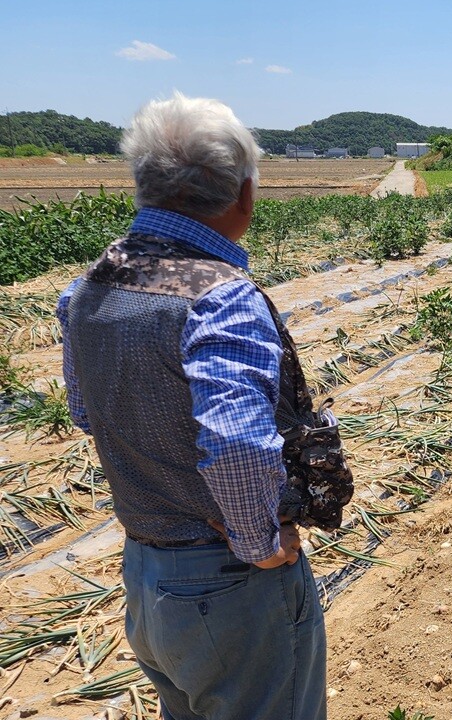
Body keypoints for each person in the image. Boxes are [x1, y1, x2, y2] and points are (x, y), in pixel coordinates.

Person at [57, 92, 326, 720]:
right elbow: (234, 443)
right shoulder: (219, 297)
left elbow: (86, 413)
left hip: (146, 577)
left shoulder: (88, 289)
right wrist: (258, 540)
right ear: (245, 196)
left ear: (143, 188)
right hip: (230, 588)